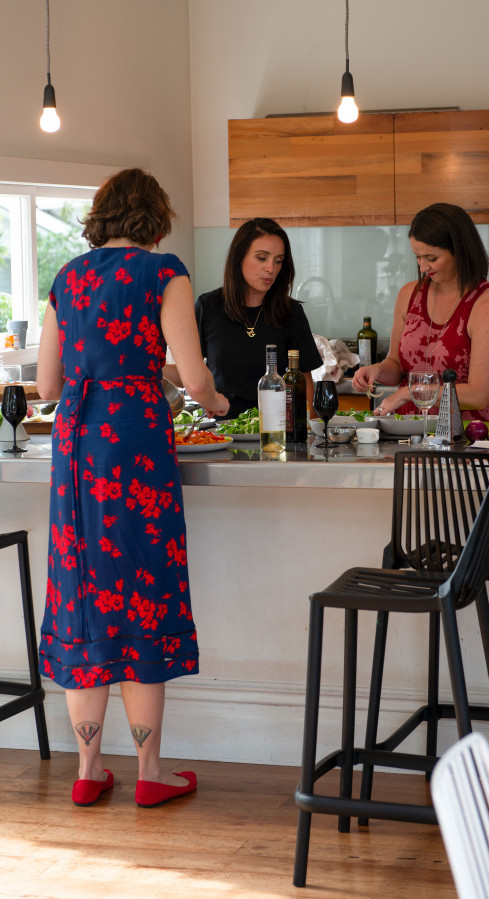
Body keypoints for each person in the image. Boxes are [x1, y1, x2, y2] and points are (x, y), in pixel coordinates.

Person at [36, 168, 229, 808]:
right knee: (143, 585)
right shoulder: (163, 273)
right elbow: (196, 378)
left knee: (81, 590)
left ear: (101, 216)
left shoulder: (68, 278)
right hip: (136, 440)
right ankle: (149, 771)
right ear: (155, 219)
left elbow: (46, 388)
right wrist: (217, 402)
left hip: (76, 444)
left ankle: (88, 769)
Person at [353, 203, 489, 421]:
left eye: (431, 258)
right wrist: (377, 370)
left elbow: (478, 395)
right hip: (409, 434)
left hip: (464, 436)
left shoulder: (486, 304)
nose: (423, 267)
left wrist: (409, 392)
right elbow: (397, 366)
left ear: (460, 251)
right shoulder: (409, 294)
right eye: (417, 256)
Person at [164, 218, 322, 420]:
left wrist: (310, 432)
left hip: (277, 432)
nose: (271, 269)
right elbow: (187, 373)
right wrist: (152, 365)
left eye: (278, 260)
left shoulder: (291, 312)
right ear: (239, 258)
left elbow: (304, 383)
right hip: (222, 431)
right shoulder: (208, 307)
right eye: (262, 258)